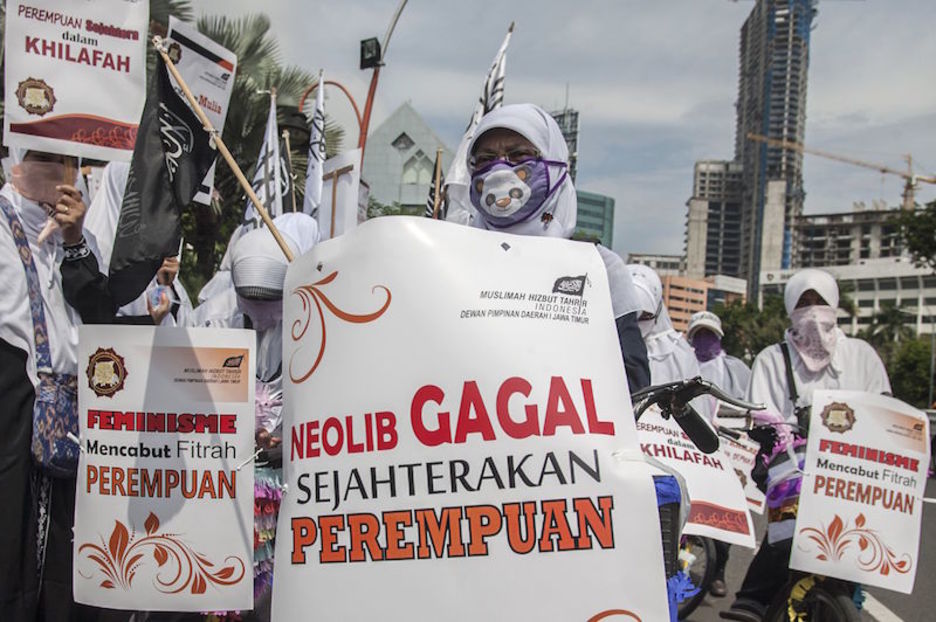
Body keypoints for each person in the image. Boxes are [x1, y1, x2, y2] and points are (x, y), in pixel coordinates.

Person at [721, 268, 891, 622]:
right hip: (791, 469)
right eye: (804, 303)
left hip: (852, 473)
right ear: (790, 308)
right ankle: (753, 600)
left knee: (853, 548)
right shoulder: (772, 358)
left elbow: (884, 411)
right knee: (788, 535)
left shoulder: (861, 356)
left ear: (834, 305)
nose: (813, 311)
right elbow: (762, 416)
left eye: (820, 301)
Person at [0, 149, 117, 621]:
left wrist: (73, 241)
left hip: (70, 419)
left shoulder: (80, 238)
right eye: (44, 157)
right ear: (16, 162)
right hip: (11, 409)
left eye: (67, 160)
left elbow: (98, 315)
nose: (59, 171)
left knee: (62, 566)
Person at [465, 103, 650, 391]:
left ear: (555, 162)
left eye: (519, 155)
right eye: (486, 159)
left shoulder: (598, 268)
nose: (499, 169)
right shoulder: (449, 261)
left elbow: (633, 385)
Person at [687, 310, 752, 598]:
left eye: (709, 334)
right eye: (699, 334)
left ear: (719, 337)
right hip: (687, 445)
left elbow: (747, 404)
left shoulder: (734, 369)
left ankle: (718, 572)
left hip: (725, 449)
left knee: (722, 514)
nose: (704, 339)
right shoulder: (683, 361)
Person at [627, 264, 715, 421]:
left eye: (644, 316)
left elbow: (697, 411)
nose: (636, 323)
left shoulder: (678, 353)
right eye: (629, 315)